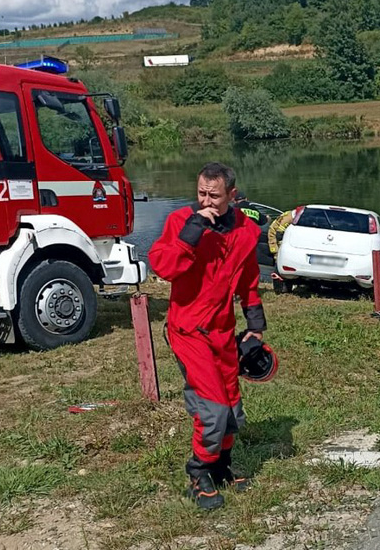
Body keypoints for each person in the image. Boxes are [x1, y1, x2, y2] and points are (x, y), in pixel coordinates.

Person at [149, 162, 267, 510]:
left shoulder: (246, 231)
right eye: (201, 193)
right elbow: (164, 267)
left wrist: (255, 324)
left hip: (223, 331)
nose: (206, 201)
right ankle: (198, 472)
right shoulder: (181, 222)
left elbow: (248, 279)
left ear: (232, 194)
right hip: (187, 329)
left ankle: (221, 468)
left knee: (232, 407)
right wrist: (193, 231)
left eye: (214, 196)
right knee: (213, 409)